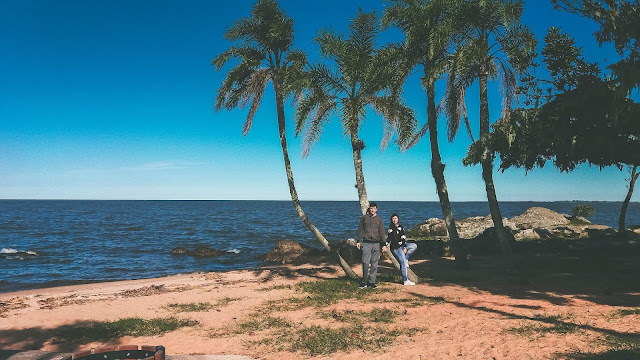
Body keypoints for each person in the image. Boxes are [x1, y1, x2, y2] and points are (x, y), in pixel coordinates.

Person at [356, 201, 387, 289]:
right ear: (369, 209)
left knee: (374, 263)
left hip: (376, 244)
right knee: (365, 262)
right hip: (366, 243)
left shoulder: (379, 219)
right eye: (371, 208)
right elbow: (360, 229)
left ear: (376, 209)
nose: (372, 210)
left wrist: (383, 244)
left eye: (374, 208)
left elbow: (381, 232)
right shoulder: (364, 218)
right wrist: (358, 240)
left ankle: (372, 282)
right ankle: (364, 282)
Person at [387, 213, 417, 286]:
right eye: (393, 218)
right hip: (396, 247)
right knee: (403, 262)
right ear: (391, 220)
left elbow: (403, 237)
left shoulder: (401, 227)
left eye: (396, 218)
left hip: (402, 245)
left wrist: (404, 247)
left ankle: (406, 258)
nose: (395, 220)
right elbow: (391, 239)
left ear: (398, 219)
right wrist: (385, 244)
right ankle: (405, 280)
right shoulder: (390, 229)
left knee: (414, 246)